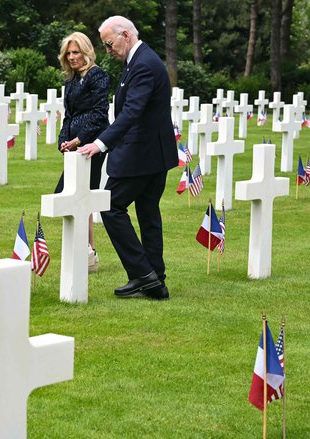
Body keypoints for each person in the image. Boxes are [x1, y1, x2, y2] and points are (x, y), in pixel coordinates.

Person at [78, 16, 177, 299]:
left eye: (109, 44)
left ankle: (143, 274)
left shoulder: (143, 64)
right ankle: (156, 280)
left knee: (110, 205)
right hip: (151, 154)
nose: (107, 50)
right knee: (147, 213)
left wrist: (100, 143)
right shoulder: (139, 60)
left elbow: (132, 112)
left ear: (125, 35)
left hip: (141, 154)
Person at [55, 31, 110, 273]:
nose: (72, 57)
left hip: (91, 145)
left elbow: (100, 114)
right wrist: (63, 140)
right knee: (72, 195)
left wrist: (78, 140)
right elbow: (69, 115)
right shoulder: (70, 81)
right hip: (73, 147)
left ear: (86, 52)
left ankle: (88, 252)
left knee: (80, 196)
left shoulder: (97, 76)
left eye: (76, 52)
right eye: (68, 53)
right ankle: (86, 250)